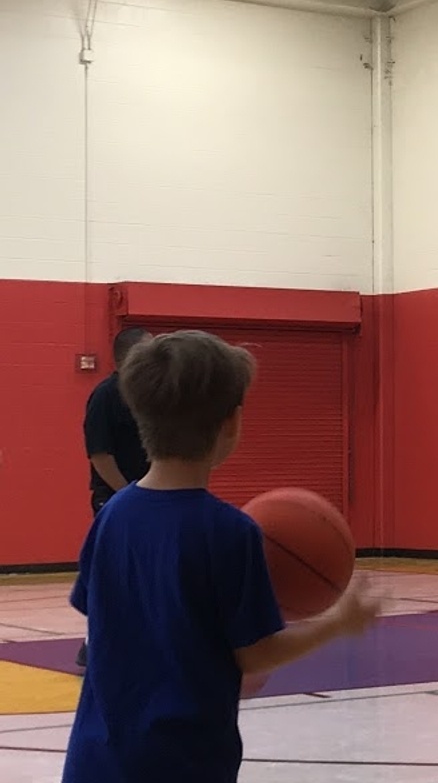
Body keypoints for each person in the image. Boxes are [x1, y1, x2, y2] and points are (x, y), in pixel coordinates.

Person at [63, 329, 381, 783]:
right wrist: (337, 623)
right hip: (185, 761)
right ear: (231, 423)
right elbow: (255, 656)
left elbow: (101, 623)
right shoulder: (230, 532)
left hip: (97, 760)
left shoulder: (112, 516)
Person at [77, 326, 152, 668]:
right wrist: (128, 495)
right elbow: (100, 454)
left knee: (149, 572)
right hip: (116, 498)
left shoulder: (153, 396)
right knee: (116, 572)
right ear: (128, 356)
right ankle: (94, 643)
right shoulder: (106, 396)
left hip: (151, 497)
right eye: (149, 350)